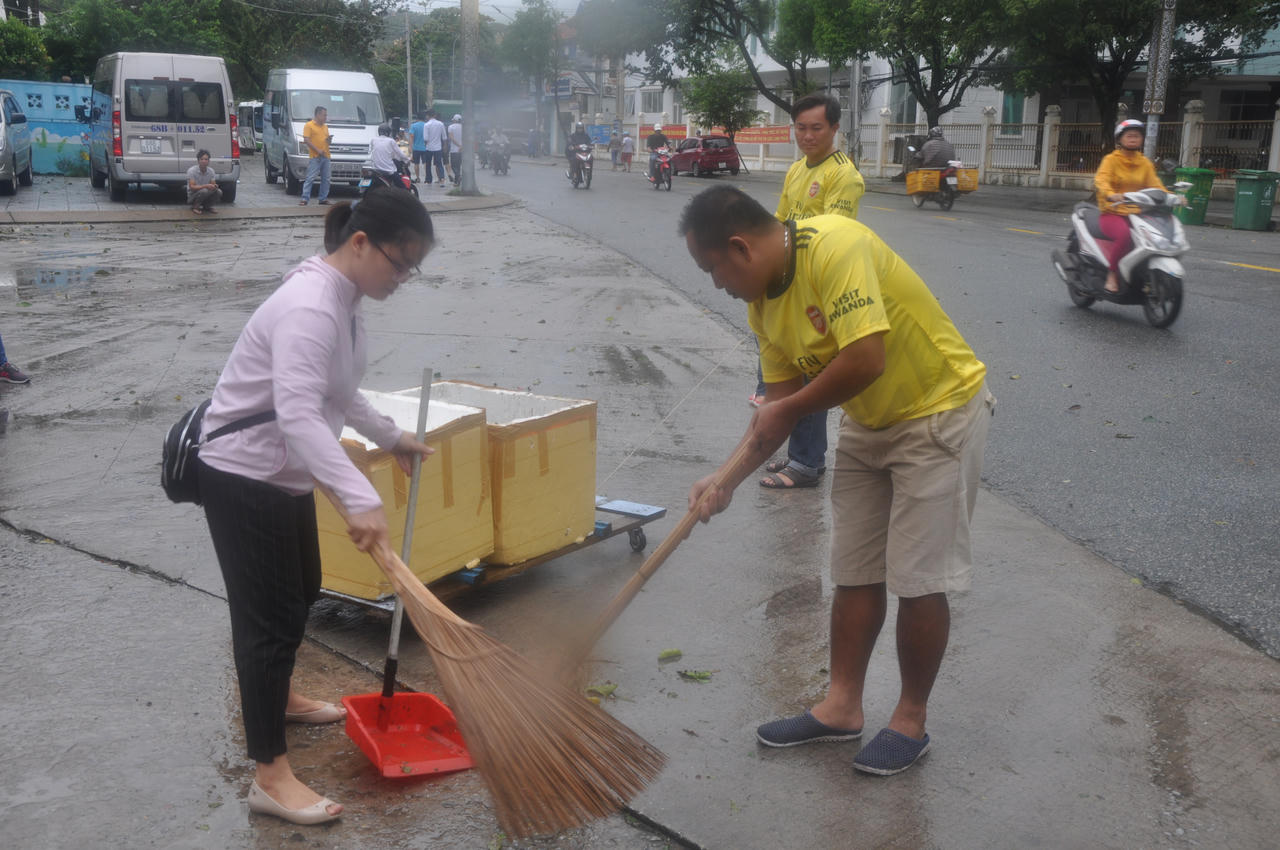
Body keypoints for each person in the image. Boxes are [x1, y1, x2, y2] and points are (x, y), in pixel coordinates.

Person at [680, 186, 993, 777]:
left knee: (919, 579)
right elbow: (775, 414)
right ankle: (842, 707)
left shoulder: (835, 246)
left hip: (938, 410)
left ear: (739, 247)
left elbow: (866, 358)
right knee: (853, 570)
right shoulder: (762, 305)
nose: (714, 284)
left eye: (711, 269)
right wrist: (724, 480)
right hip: (869, 419)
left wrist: (791, 406)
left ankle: (909, 719)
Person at [197, 187, 435, 825]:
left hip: (285, 474)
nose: (403, 277)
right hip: (246, 477)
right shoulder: (311, 305)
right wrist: (359, 499)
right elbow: (300, 412)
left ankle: (280, 699)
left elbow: (339, 391)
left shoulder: (346, 298)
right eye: (399, 262)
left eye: (413, 266)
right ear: (360, 243)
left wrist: (391, 435)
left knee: (301, 590)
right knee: (266, 623)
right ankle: (270, 777)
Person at [761, 93, 867, 489]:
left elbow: (831, 236)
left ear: (835, 129)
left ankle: (807, 463)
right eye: (801, 128)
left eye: (816, 128)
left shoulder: (845, 176)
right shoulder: (795, 171)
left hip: (819, 288)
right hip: (791, 283)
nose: (807, 136)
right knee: (787, 374)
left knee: (810, 375)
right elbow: (779, 224)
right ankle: (797, 455)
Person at [1095, 119, 1165, 293]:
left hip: (1137, 213)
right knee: (1125, 236)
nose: (1133, 139)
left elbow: (1156, 185)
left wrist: (1171, 197)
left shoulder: (1145, 163)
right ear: (1120, 139)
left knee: (1156, 237)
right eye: (1129, 135)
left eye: (1137, 135)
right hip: (1112, 212)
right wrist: (1111, 194)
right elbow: (1101, 180)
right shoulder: (1110, 160)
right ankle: (1112, 274)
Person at [299, 106, 331, 206]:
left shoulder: (325, 127)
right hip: (315, 156)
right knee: (310, 177)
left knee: (326, 178)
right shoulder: (309, 125)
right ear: (317, 115)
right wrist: (317, 150)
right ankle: (305, 198)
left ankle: (323, 198)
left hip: (326, 155)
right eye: (324, 115)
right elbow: (306, 140)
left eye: (326, 115)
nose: (326, 117)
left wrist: (329, 140)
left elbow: (326, 141)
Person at [368, 122, 409, 188]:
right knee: (402, 186)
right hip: (388, 170)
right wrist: (407, 160)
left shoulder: (373, 140)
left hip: (375, 169)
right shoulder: (391, 141)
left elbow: (371, 151)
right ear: (388, 132)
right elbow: (400, 153)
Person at [186, 149, 222, 215]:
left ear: (208, 161)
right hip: (193, 196)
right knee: (204, 190)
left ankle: (207, 207)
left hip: (205, 194)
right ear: (198, 160)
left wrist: (215, 186)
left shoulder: (211, 171)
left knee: (218, 192)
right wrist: (206, 186)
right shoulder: (192, 171)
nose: (204, 161)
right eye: (201, 159)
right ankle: (195, 207)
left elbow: (213, 184)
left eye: (206, 159)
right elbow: (192, 187)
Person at [422, 110, 447, 186]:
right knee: (439, 164)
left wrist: (425, 146)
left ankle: (428, 179)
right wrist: (445, 146)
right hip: (438, 148)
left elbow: (425, 138)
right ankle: (442, 179)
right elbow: (444, 137)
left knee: (428, 164)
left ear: (428, 116)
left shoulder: (426, 125)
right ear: (435, 115)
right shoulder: (441, 124)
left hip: (429, 148)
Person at [409, 111, 428, 182]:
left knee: (416, 163)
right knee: (425, 163)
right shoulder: (426, 125)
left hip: (416, 148)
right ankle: (427, 177)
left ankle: (418, 178)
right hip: (425, 148)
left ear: (417, 118)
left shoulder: (413, 126)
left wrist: (410, 147)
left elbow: (411, 137)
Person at [447, 114, 463, 186]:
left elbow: (451, 138)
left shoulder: (451, 127)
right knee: (458, 165)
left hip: (454, 150)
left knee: (453, 166)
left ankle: (458, 176)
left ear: (454, 120)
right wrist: (461, 146)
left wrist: (458, 145)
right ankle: (456, 182)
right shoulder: (464, 127)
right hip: (462, 149)